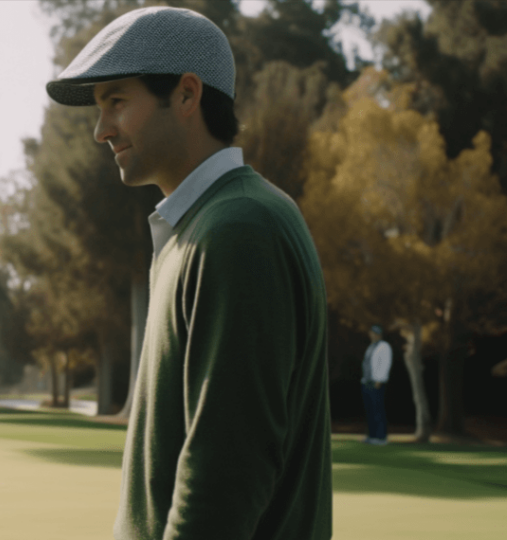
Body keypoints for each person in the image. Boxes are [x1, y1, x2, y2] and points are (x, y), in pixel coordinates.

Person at [46, 7, 332, 539]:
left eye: (116, 102)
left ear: (185, 95)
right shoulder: (206, 226)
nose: (99, 130)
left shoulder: (238, 230)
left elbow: (225, 475)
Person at [361, 325, 393, 445]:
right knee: (370, 410)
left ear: (380, 335)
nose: (373, 335)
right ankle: (372, 435)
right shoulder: (371, 346)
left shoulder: (384, 346)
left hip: (376, 382)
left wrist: (379, 380)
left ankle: (381, 437)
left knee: (377, 409)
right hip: (367, 381)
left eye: (376, 333)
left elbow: (385, 363)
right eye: (372, 333)